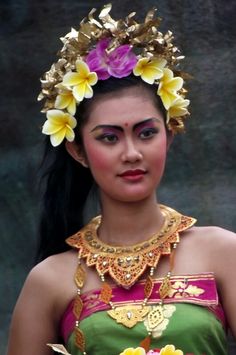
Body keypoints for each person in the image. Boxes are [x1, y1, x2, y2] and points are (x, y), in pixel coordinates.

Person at [7, 4, 236, 355]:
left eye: (146, 133)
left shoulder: (223, 253)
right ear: (78, 150)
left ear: (168, 136)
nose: (131, 153)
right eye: (109, 138)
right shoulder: (49, 280)